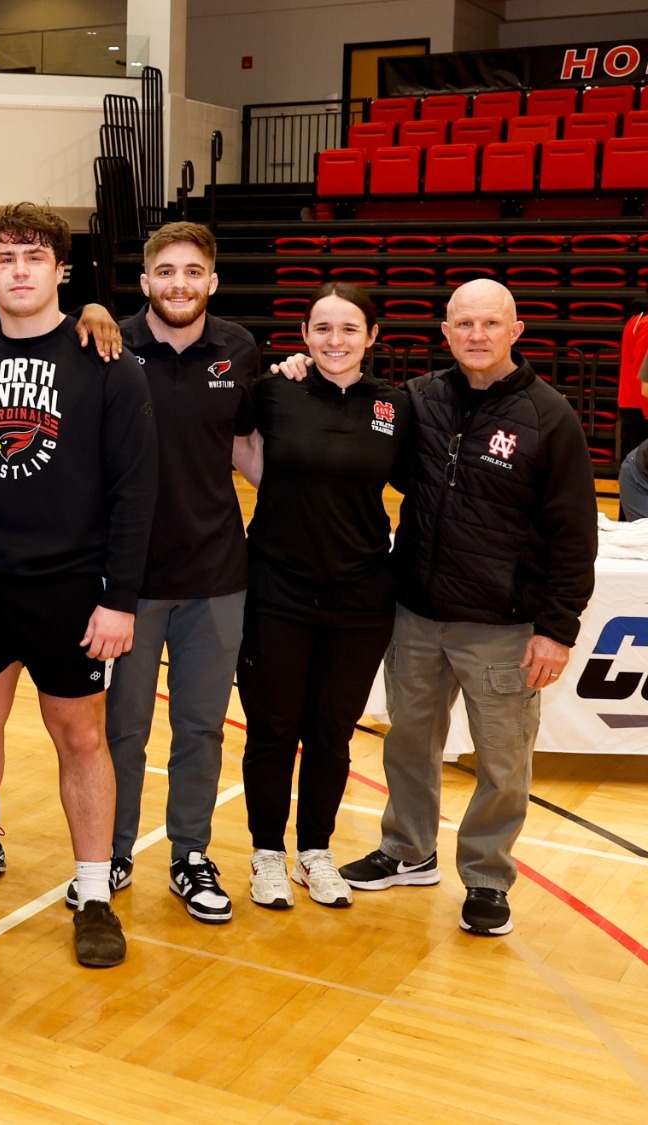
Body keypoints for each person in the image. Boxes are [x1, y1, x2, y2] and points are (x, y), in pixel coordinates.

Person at [0, 202, 155, 967]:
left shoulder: (106, 359)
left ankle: (91, 890)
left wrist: (119, 596)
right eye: (7, 259)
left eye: (34, 257)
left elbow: (135, 487)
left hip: (71, 586)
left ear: (61, 271)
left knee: (81, 734)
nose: (20, 271)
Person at [334, 278, 597, 936]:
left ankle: (486, 876)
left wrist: (556, 630)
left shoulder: (549, 416)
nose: (477, 335)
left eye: (490, 323)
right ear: (445, 332)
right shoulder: (418, 401)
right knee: (409, 743)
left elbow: (574, 532)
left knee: (503, 761)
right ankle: (407, 849)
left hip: (504, 628)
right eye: (464, 323)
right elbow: (348, 415)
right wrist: (305, 366)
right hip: (417, 614)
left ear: (516, 331)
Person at [233, 284, 409, 910]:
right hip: (277, 589)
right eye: (322, 329)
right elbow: (231, 444)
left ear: (372, 337)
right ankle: (264, 853)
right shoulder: (274, 390)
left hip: (362, 598)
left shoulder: (395, 406)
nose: (335, 341)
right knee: (274, 729)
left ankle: (315, 850)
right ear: (304, 336)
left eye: (348, 329)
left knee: (333, 733)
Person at [104, 221, 256, 925]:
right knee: (123, 729)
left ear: (213, 282)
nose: (179, 284)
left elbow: (250, 442)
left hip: (217, 574)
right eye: (165, 271)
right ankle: (110, 845)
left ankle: (191, 853)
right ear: (144, 283)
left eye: (193, 272)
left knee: (201, 727)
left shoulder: (241, 350)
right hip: (128, 583)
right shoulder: (107, 345)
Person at [619, 290, 648, 520]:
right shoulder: (646, 323)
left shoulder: (634, 320)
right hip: (641, 405)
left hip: (630, 402)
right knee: (637, 473)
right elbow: (644, 376)